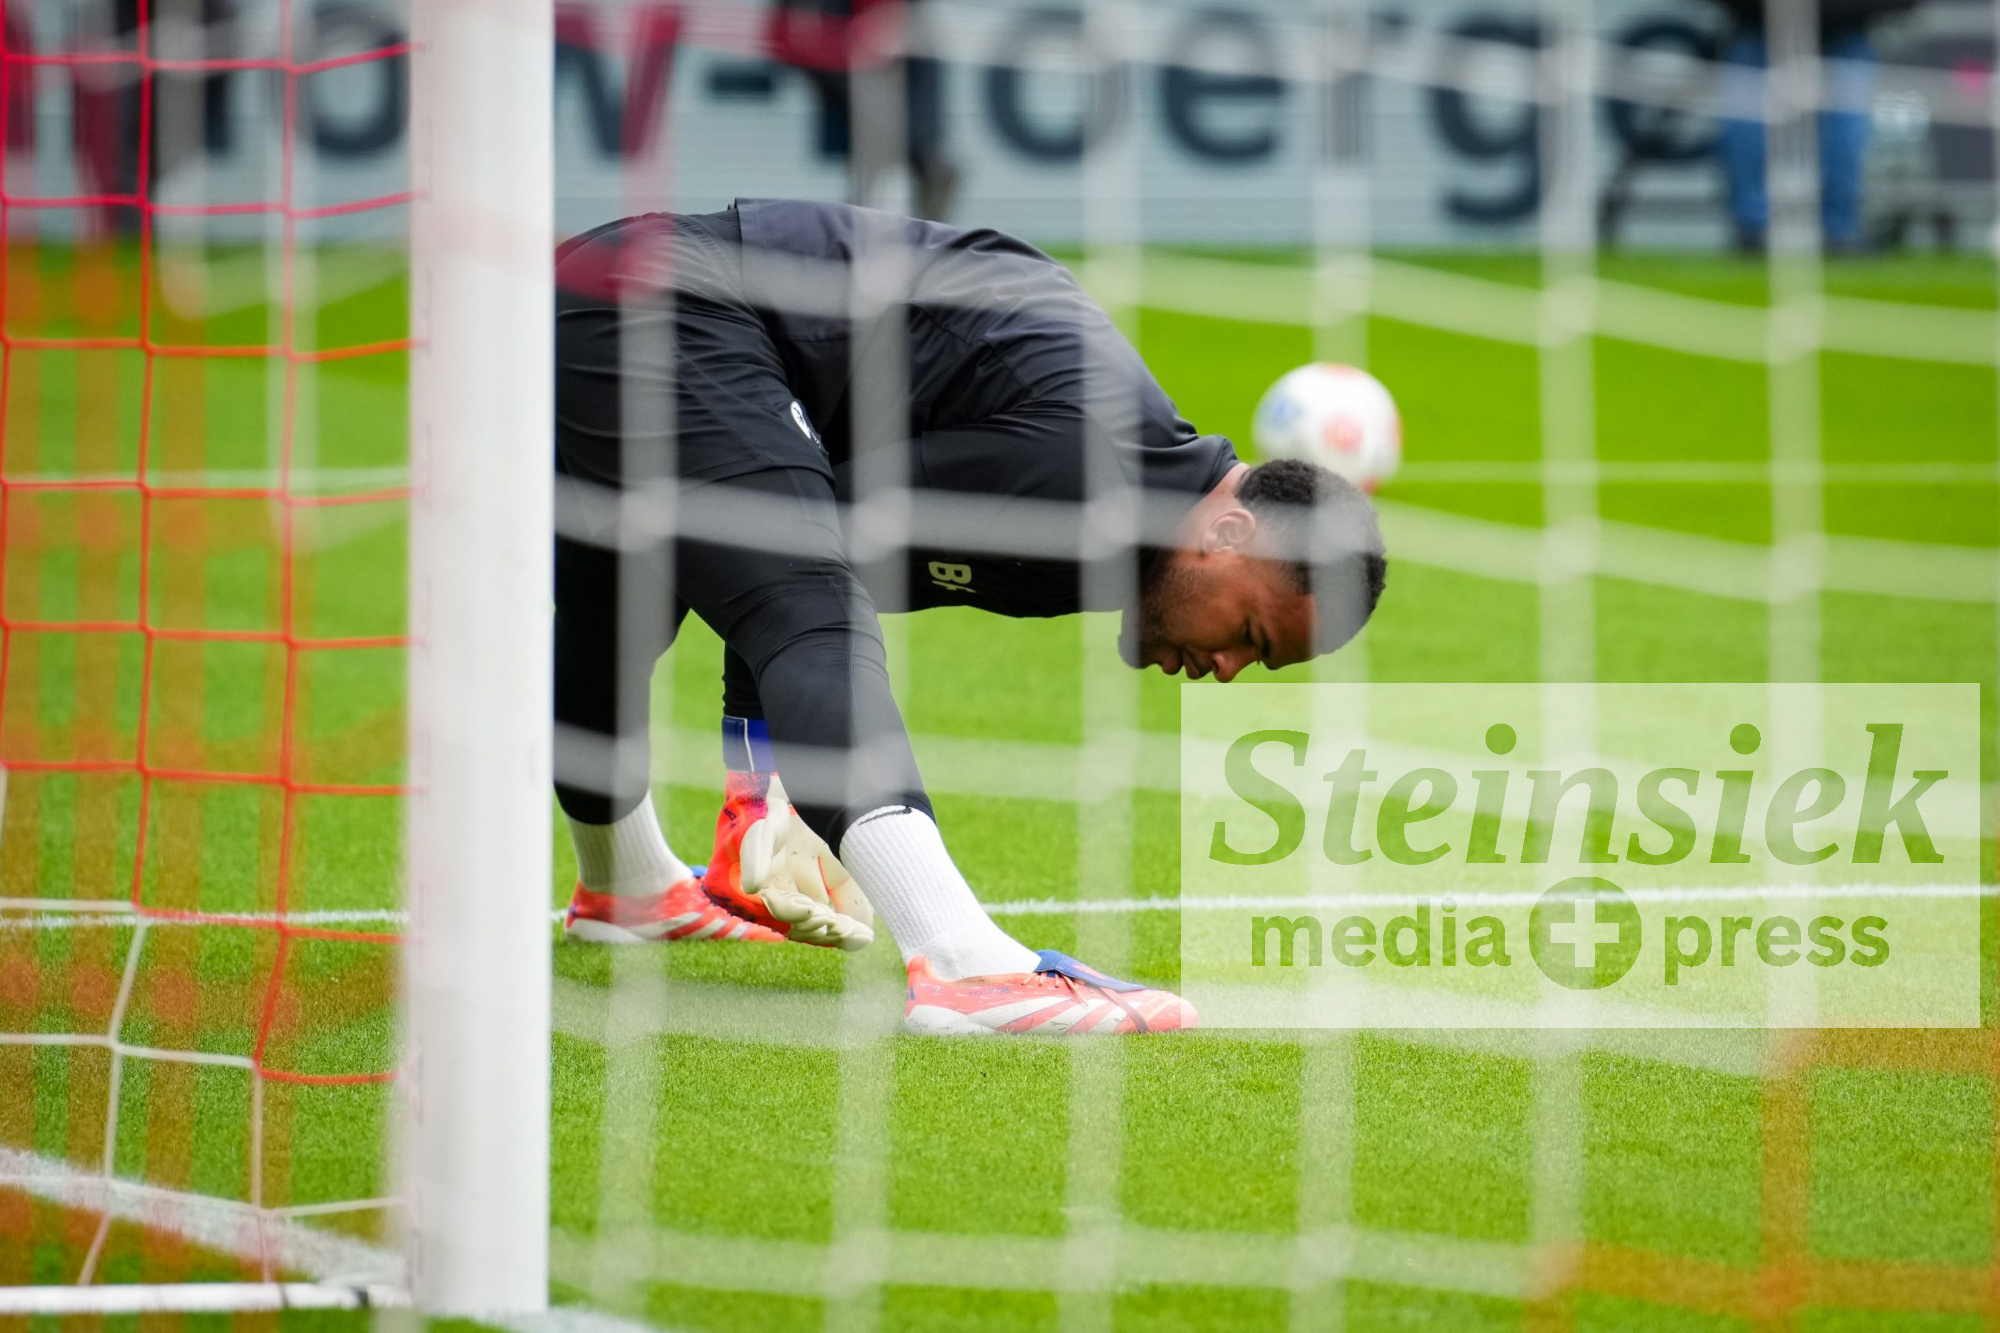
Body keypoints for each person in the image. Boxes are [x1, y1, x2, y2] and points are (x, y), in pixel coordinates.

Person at [551, 199, 1388, 1036]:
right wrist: (762, 782)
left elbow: (831, 536)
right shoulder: (1092, 470)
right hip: (665, 300)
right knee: (802, 604)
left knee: (619, 596)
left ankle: (629, 885)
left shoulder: (1117, 531)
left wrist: (766, 773)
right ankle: (962, 961)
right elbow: (817, 541)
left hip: (620, 300)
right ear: (1229, 534)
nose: (1228, 670)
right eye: (1251, 637)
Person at [1715, 0, 1916, 253]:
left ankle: (1773, 227)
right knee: (1750, 119)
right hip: (1761, 24)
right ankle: (1826, 229)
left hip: (1839, 26)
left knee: (1844, 123)